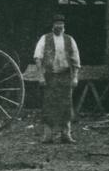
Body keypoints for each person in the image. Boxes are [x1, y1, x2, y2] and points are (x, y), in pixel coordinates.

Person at [33, 14, 80, 144]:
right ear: (52, 25)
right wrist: (41, 75)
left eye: (61, 24)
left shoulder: (70, 40)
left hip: (66, 76)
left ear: (64, 26)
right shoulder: (45, 38)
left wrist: (75, 77)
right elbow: (38, 58)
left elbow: (76, 60)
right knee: (49, 105)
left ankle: (66, 135)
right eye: (56, 24)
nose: (58, 26)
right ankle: (48, 135)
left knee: (67, 105)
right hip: (50, 76)